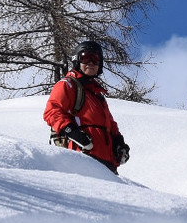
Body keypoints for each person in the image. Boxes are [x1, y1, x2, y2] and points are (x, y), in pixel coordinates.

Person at [43, 39, 131, 174]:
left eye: (95, 59)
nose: (91, 63)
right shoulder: (68, 84)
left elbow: (110, 125)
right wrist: (73, 132)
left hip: (107, 164)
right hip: (81, 158)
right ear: (77, 60)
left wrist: (119, 142)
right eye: (86, 58)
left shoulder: (98, 95)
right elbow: (52, 112)